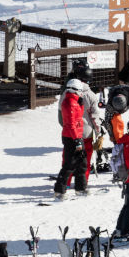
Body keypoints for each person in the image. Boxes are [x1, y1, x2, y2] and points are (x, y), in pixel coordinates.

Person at [53, 61, 101, 198]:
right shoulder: (74, 101)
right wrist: (95, 131)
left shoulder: (71, 99)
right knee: (71, 163)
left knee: (82, 162)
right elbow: (86, 118)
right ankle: (61, 189)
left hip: (77, 134)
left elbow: (64, 118)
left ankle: (80, 186)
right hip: (77, 136)